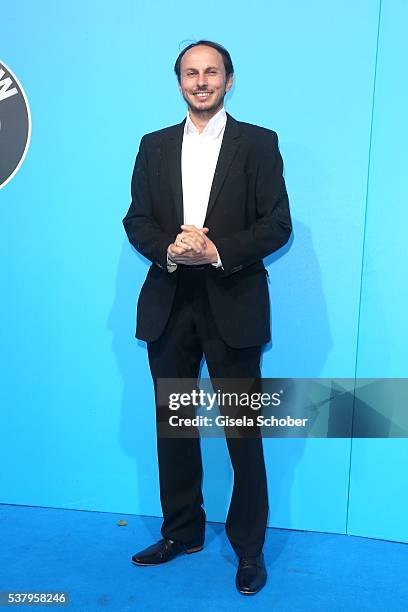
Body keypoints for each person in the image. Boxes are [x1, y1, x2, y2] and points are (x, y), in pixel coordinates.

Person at [122, 40, 292, 595]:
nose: (201, 81)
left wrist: (215, 251)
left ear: (229, 80)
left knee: (242, 431)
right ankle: (183, 532)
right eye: (191, 73)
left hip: (234, 299)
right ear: (179, 83)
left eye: (211, 72)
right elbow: (137, 220)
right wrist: (173, 250)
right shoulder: (152, 146)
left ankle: (249, 550)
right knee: (174, 426)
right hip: (170, 302)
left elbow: (276, 226)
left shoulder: (259, 144)